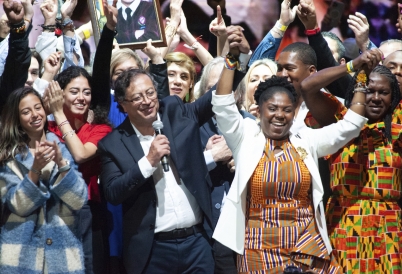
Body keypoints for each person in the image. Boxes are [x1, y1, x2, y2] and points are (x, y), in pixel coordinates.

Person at [212, 41, 369, 273]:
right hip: (258, 248)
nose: (280, 115)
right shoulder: (245, 137)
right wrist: (231, 59)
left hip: (307, 247)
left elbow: (351, 125)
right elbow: (223, 104)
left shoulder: (306, 140)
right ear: (260, 108)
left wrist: (361, 76)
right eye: (272, 109)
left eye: (286, 110)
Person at [98, 68, 215, 274]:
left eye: (150, 93)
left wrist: (235, 61)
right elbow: (113, 193)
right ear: (123, 105)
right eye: (137, 97)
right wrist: (149, 161)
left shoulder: (174, 113)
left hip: (197, 242)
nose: (147, 101)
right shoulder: (112, 144)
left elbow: (215, 99)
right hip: (153, 250)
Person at [300, 49, 402, 273]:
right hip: (343, 223)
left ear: (393, 96)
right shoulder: (339, 122)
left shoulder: (398, 125)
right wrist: (353, 66)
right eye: (368, 90)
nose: (375, 97)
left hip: (388, 227)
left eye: (383, 92)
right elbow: (308, 86)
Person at [0, 87, 87, 273]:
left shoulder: (62, 149)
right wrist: (35, 169)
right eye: (26, 111)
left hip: (62, 256)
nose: (34, 115)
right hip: (21, 257)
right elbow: (18, 205)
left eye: (38, 108)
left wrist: (62, 163)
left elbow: (79, 200)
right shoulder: (8, 157)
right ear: (17, 120)